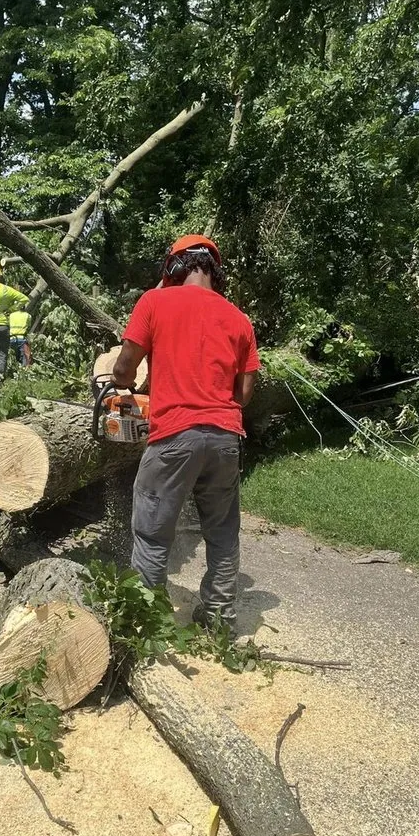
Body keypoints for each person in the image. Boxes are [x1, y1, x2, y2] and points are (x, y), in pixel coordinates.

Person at [112, 234, 260, 635]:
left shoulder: (154, 301)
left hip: (174, 435)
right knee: (223, 531)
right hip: (227, 437)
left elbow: (124, 371)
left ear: (173, 268)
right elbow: (243, 394)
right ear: (215, 270)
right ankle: (218, 619)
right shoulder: (239, 318)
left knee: (152, 531)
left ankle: (144, 624)